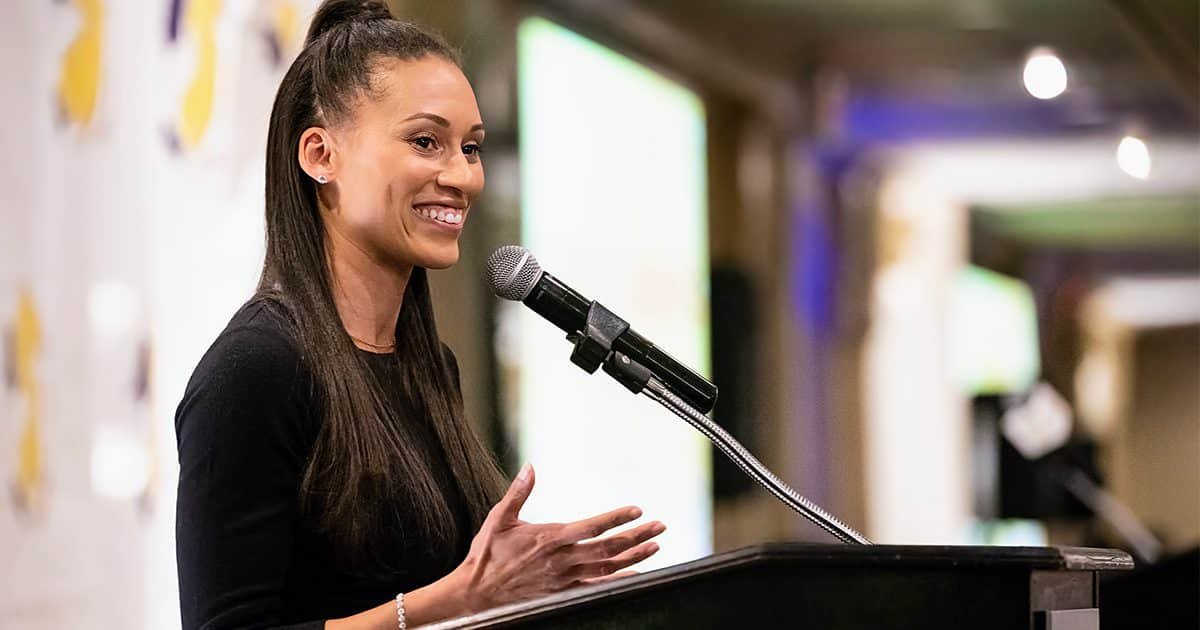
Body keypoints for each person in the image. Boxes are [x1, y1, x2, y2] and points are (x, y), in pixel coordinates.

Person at [173, 1, 666, 628]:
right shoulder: (256, 370)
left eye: (471, 148)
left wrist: (529, 579)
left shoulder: (428, 366)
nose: (461, 175)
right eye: (425, 141)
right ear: (320, 155)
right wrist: (459, 597)